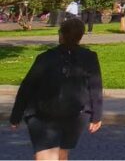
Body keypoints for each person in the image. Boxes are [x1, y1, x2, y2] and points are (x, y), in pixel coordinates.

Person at [9, 17, 103, 159]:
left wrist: (16, 115)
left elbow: (27, 87)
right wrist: (97, 116)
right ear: (80, 36)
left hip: (43, 115)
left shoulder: (45, 58)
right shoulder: (89, 57)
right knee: (61, 154)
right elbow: (95, 87)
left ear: (61, 35)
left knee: (48, 155)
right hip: (75, 114)